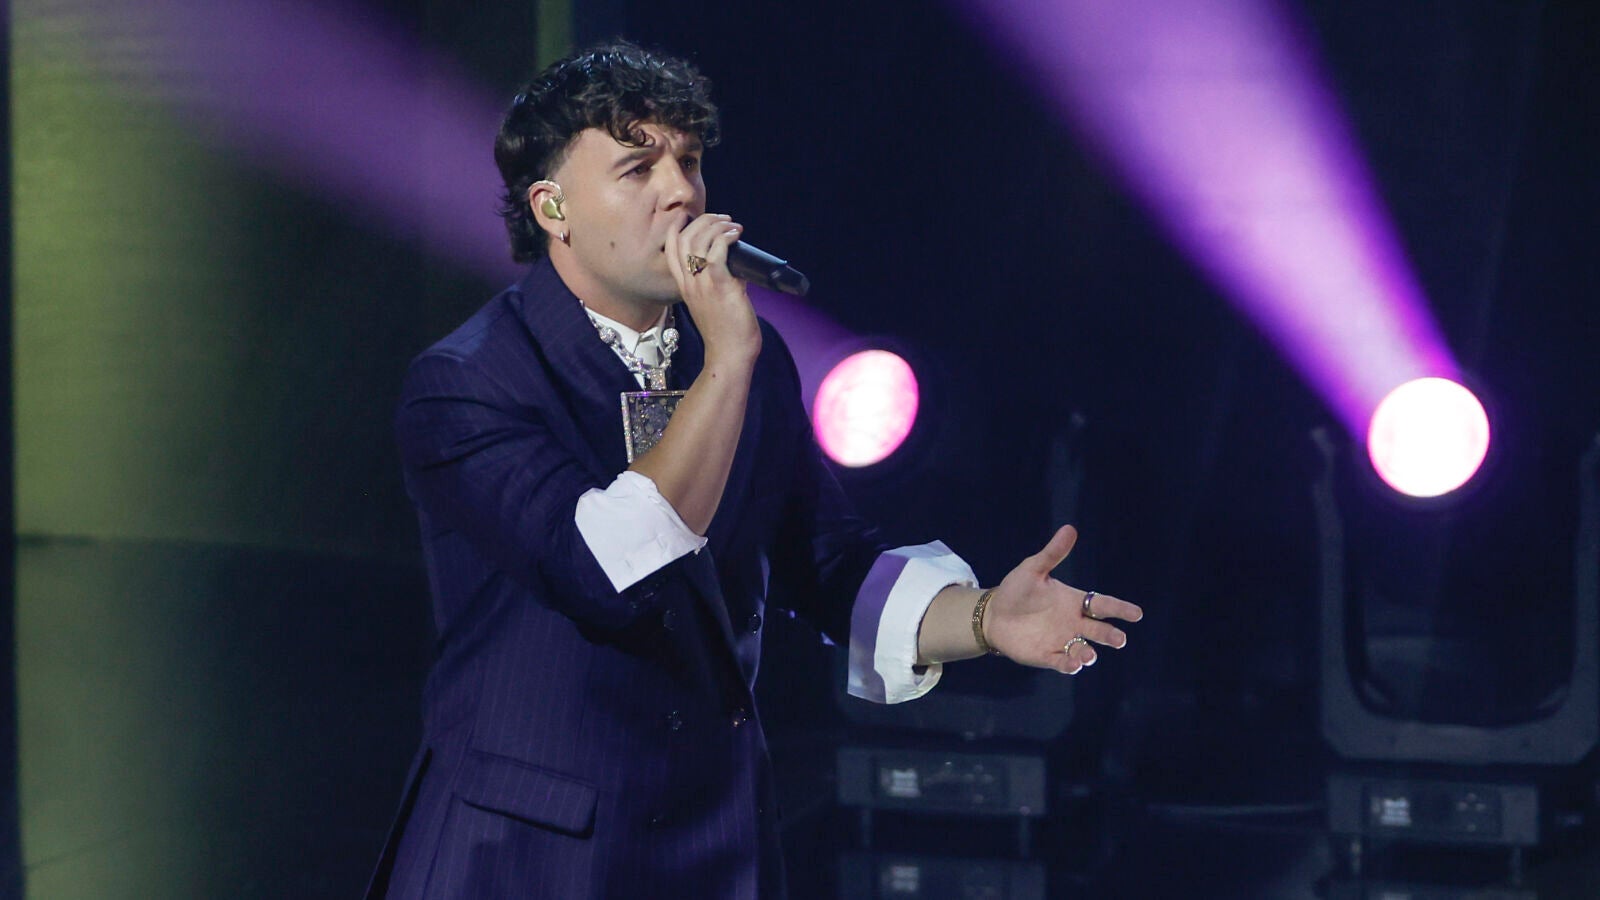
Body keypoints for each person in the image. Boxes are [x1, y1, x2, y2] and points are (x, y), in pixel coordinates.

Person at [367, 40, 1143, 899]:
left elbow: (829, 562)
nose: (681, 193)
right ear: (553, 208)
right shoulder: (471, 381)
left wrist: (987, 616)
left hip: (713, 844)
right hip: (532, 856)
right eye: (637, 169)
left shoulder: (743, 359)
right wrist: (728, 361)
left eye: (690, 162)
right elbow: (600, 572)